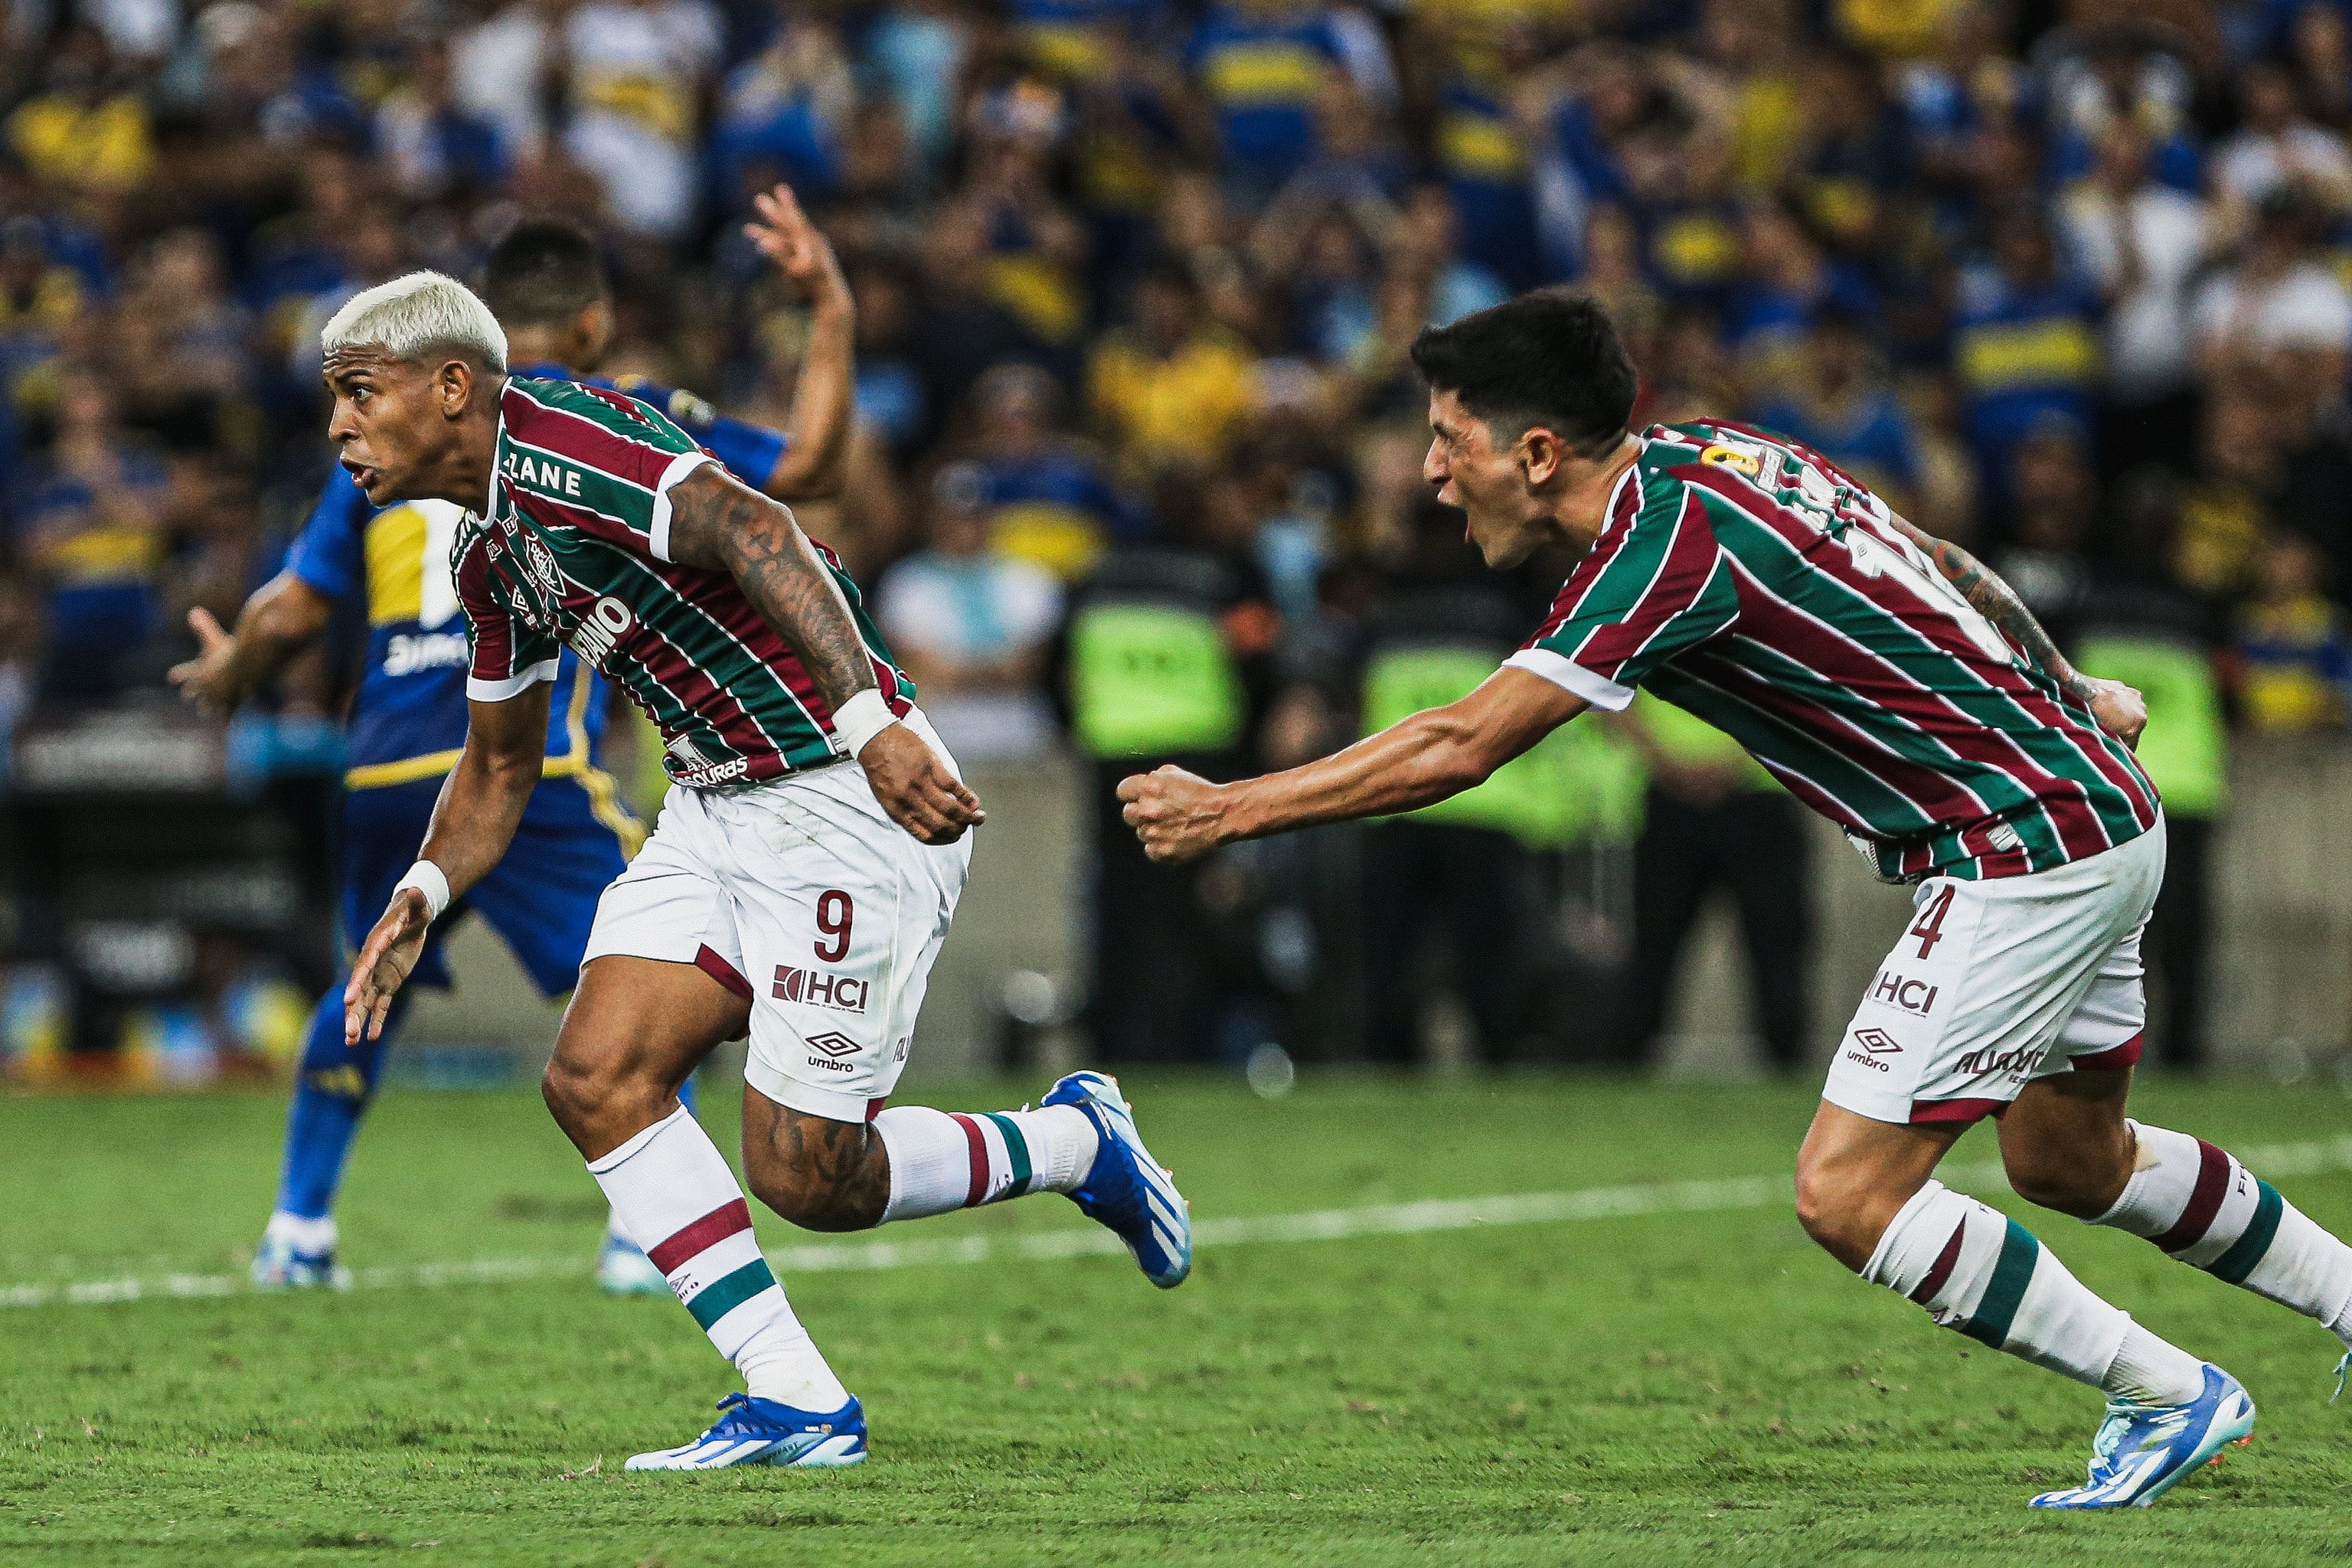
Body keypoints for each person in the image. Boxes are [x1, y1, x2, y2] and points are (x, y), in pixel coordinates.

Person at [1120, 291, 2352, 1510]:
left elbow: (1461, 744)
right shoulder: (1721, 447)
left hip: (2025, 847)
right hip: (2101, 811)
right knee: (2074, 1162)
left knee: (1847, 1193)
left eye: (1451, 440)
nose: (1432, 472)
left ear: (1538, 453)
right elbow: (1930, 558)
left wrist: (1232, 808)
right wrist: (2065, 680)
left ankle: (2163, 1393)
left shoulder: (1658, 549)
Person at [321, 268, 1190, 1471]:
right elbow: (497, 768)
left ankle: (1076, 1145)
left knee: (810, 1176)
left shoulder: (570, 441)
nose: (338, 427)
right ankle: (796, 1401)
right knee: (594, 1075)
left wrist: (870, 721)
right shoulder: (489, 560)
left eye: (361, 393)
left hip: (842, 791)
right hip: (714, 808)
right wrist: (420, 895)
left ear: (452, 386)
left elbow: (762, 529)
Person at [167, 193, 854, 1295]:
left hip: (387, 765)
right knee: (655, 989)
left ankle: (297, 1226)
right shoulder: (615, 416)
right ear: (588, 329)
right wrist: (826, 305)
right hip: (530, 773)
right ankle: (644, 1234)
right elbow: (810, 471)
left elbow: (293, 611)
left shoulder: (387, 442)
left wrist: (229, 671)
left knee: (366, 985)